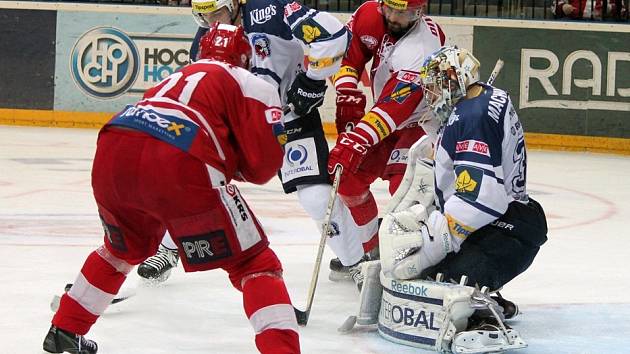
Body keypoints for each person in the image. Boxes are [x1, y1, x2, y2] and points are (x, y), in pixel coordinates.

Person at [42, 24, 300, 354]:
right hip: (179, 155)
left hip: (114, 144)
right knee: (254, 263)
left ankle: (65, 328)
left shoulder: (174, 77)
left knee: (121, 248)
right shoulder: (253, 82)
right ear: (244, 57)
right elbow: (263, 167)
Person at [137, 0, 357, 283]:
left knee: (316, 197)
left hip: (290, 117)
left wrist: (313, 80)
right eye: (202, 16)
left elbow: (335, 35)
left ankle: (356, 264)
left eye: (215, 13)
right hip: (239, 128)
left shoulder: (273, 9)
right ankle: (168, 248)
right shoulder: (205, 39)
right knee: (193, 183)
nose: (210, 22)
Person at [378, 46, 547, 332]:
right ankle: (484, 299)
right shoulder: (483, 100)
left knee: (439, 280)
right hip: (513, 220)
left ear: (454, 80)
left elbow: (481, 198)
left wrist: (435, 242)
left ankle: (480, 312)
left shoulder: (471, 118)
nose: (430, 95)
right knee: (439, 274)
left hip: (506, 227)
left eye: (434, 86)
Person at [326, 0, 446, 288]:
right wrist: (345, 91)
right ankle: (372, 252)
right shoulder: (370, 14)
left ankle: (411, 263)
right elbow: (350, 55)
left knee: (406, 194)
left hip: (419, 124)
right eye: (389, 8)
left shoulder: (422, 47)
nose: (392, 17)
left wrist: (358, 138)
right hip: (385, 118)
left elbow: (397, 106)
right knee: (347, 176)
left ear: (419, 12)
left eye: (402, 12)